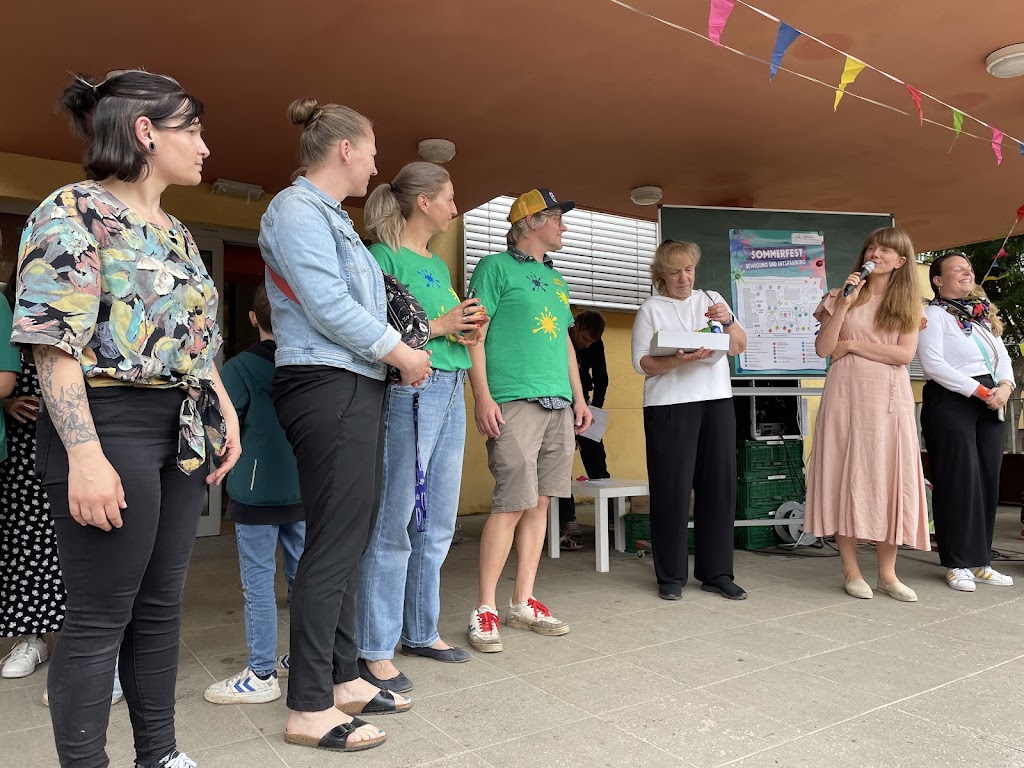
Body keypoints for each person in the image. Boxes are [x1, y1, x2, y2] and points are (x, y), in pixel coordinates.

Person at [11, 70, 240, 768]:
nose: (204, 146)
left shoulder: (177, 232)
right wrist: (85, 456)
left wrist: (224, 409)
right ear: (146, 132)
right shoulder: (70, 211)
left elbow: (196, 342)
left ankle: (159, 756)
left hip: (180, 428)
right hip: (107, 423)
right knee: (100, 615)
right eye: (192, 130)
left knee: (160, 607)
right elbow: (53, 347)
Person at [259, 98, 431, 753]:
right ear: (346, 150)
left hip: (352, 383)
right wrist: (401, 352)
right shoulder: (295, 210)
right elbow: (328, 304)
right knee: (332, 544)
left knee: (349, 538)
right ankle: (308, 706)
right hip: (324, 383)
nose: (377, 167)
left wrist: (392, 353)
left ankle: (342, 677)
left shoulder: (331, 216)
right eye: (373, 153)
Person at [355, 162, 485, 690]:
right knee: (395, 522)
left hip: (450, 388)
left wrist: (467, 330)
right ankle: (374, 647)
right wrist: (442, 324)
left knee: (437, 522)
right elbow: (375, 330)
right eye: (450, 197)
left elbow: (438, 330)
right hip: (412, 391)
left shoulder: (435, 263)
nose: (455, 207)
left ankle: (421, 630)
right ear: (424, 203)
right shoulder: (381, 257)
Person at [465, 188, 593, 653]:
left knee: (540, 505)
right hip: (514, 399)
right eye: (557, 218)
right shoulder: (494, 268)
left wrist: (579, 398)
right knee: (511, 504)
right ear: (532, 222)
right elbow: (474, 335)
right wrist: (482, 396)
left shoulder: (557, 281)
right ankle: (484, 607)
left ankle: (521, 601)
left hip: (558, 403)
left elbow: (565, 344)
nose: (564, 226)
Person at [804, 227, 929, 602]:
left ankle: (888, 574)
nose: (876, 253)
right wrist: (844, 303)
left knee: (888, 479)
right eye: (872, 247)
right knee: (845, 475)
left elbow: (903, 355)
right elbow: (825, 348)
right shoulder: (839, 296)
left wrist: (854, 345)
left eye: (886, 250)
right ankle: (851, 570)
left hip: (889, 401)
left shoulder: (908, 304)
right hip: (844, 397)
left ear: (900, 261)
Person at [204, 284, 305, 705]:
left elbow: (219, 425)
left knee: (259, 584)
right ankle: (303, 658)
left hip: (254, 492)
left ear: (252, 319)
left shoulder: (240, 368)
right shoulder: (306, 363)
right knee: (304, 579)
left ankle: (262, 672)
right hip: (304, 488)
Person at [630, 240, 748, 601]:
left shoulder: (712, 300)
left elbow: (738, 345)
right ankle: (670, 575)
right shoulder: (651, 308)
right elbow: (641, 363)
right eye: (675, 272)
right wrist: (677, 361)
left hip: (716, 402)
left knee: (719, 488)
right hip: (669, 406)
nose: (683, 278)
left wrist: (728, 321)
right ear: (661, 275)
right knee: (671, 490)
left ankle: (717, 572)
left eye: (689, 270)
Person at [917, 252, 1016, 592]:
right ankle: (957, 562)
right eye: (957, 269)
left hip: (990, 401)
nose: (967, 272)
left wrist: (1005, 386)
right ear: (938, 280)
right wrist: (980, 391)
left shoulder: (979, 316)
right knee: (959, 480)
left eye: (969, 268)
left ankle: (981, 560)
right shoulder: (933, 315)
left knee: (988, 480)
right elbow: (933, 364)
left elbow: (1002, 357)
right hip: (952, 400)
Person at [559, 310, 610, 550]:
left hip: (584, 405)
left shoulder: (595, 345)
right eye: (585, 339)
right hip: (558, 402)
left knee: (596, 460)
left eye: (592, 342)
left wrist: (594, 409)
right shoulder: (560, 335)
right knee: (560, 465)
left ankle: (609, 517)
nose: (587, 345)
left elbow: (601, 377)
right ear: (575, 327)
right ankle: (566, 521)